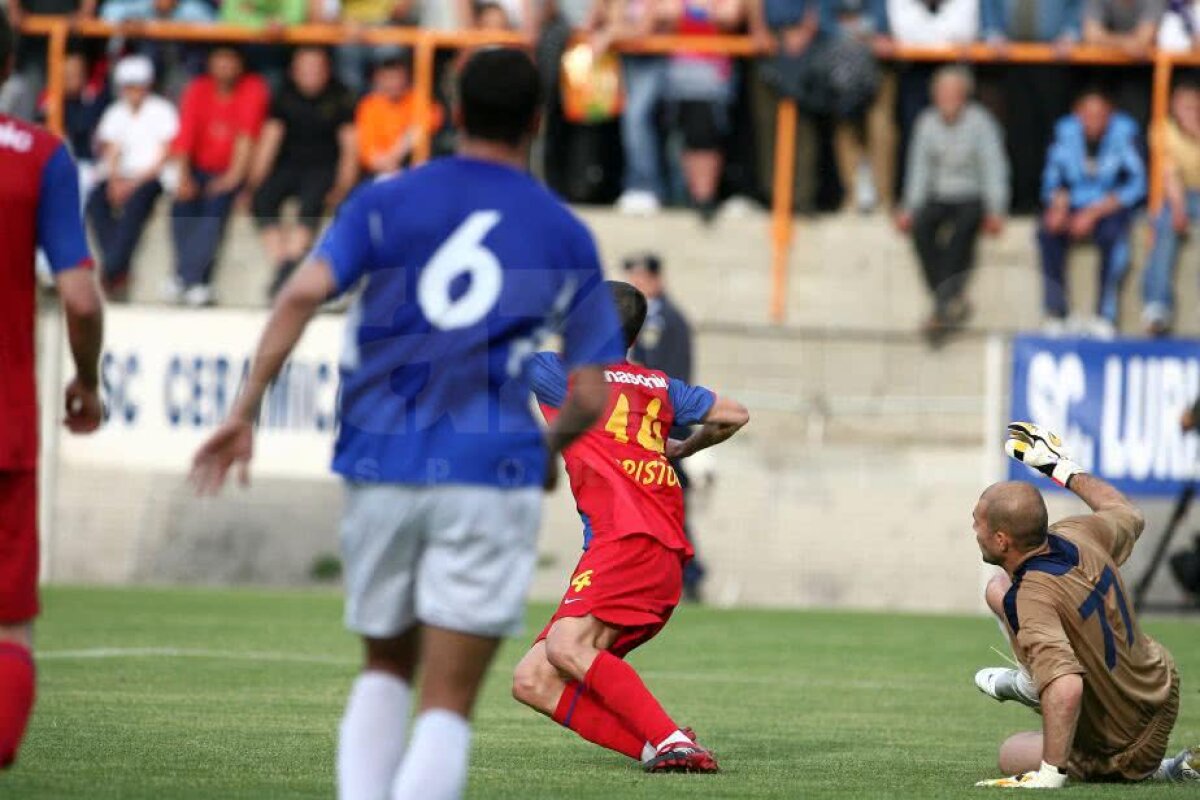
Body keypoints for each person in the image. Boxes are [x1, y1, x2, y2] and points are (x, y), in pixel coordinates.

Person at [190, 48, 625, 800]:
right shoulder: (561, 231)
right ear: (538, 122)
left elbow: (299, 296)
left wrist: (244, 412)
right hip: (490, 472)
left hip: (380, 460)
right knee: (448, 703)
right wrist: (547, 447)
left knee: (385, 667)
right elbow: (591, 393)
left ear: (453, 114)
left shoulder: (385, 197)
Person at [511, 280, 748, 773]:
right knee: (533, 679)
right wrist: (684, 447)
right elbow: (734, 414)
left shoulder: (564, 375)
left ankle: (672, 741)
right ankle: (659, 747)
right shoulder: (659, 385)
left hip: (626, 542)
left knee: (565, 645)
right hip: (656, 550)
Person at [969, 422, 1198, 787]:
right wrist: (1058, 467)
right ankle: (1034, 677)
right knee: (998, 588)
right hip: (1161, 686)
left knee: (1011, 752)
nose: (974, 531)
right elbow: (1127, 512)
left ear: (1001, 540)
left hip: (1125, 742)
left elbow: (1067, 687)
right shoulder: (1077, 533)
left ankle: (1158, 768)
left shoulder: (1033, 595)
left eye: (977, 524)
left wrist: (1050, 774)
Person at [0, 6, 105, 770]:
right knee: (8, 630)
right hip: (4, 429)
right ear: (12, 70)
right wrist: (87, 382)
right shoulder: (40, 155)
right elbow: (80, 298)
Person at [895, 66, 1008, 346]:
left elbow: (994, 167)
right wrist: (909, 208)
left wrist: (996, 208)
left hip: (971, 195)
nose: (947, 99)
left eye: (953, 93)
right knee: (921, 228)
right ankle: (949, 299)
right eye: (942, 93)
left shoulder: (981, 123)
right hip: (939, 195)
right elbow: (918, 171)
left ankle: (941, 303)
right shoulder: (926, 123)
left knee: (962, 231)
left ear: (964, 95)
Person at [622, 252, 708, 600]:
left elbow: (671, 377)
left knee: (666, 505)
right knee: (660, 505)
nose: (636, 284)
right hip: (649, 425)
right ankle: (682, 574)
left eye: (641, 278)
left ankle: (689, 574)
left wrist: (668, 423)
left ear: (657, 279)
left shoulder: (667, 320)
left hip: (662, 427)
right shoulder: (645, 319)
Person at [247, 47, 357, 299]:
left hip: (323, 167)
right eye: (304, 69)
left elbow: (350, 147)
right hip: (288, 166)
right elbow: (269, 141)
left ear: (327, 70)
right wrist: (253, 183)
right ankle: (284, 264)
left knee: (311, 202)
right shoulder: (284, 96)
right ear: (294, 72)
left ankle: (287, 269)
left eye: (316, 69)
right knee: (262, 200)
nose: (311, 75)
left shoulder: (340, 98)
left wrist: (343, 186)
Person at [1037, 87, 1145, 338]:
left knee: (1116, 237)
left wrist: (1094, 212)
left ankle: (1104, 314)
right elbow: (1053, 176)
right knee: (1047, 230)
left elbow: (1137, 184)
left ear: (1110, 114)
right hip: (1074, 202)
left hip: (1109, 205)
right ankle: (1056, 312)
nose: (1093, 121)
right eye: (1087, 114)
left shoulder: (1125, 133)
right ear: (1077, 114)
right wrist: (1058, 205)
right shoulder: (1064, 132)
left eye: (1100, 115)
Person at [169, 45, 269, 307]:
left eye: (230, 60)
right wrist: (183, 177)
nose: (224, 66)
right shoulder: (197, 89)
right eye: (219, 60)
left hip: (233, 170)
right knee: (181, 204)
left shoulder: (252, 88)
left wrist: (233, 178)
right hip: (199, 168)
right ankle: (189, 278)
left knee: (216, 206)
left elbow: (247, 137)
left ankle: (190, 277)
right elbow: (185, 137)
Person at [86, 54, 179, 300]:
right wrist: (116, 180)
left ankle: (112, 268)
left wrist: (133, 183)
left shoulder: (162, 110)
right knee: (95, 201)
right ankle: (115, 266)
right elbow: (111, 150)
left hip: (151, 177)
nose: (133, 91)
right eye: (129, 86)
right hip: (121, 176)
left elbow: (165, 153)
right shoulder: (116, 112)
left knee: (136, 206)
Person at [980, 0, 1082, 214]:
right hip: (1011, 58)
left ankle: (1050, 198)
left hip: (1054, 58)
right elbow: (988, 6)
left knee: (1052, 132)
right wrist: (992, 32)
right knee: (1019, 132)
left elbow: (1077, 6)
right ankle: (1021, 198)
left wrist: (1071, 33)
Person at [661, 0, 746, 223]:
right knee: (686, 138)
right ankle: (692, 195)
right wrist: (706, 12)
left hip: (712, 77)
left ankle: (705, 197)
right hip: (680, 76)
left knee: (707, 136)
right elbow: (662, 11)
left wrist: (688, 12)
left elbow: (731, 15)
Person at [1142, 81, 1200, 336]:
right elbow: (1169, 175)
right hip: (1178, 195)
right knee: (1164, 225)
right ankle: (1157, 305)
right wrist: (1178, 209)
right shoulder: (1162, 130)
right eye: (1185, 106)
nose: (1191, 111)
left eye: (1195, 106)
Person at [355, 52, 444, 178]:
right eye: (388, 78)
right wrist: (389, 162)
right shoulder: (369, 105)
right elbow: (369, 153)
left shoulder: (418, 99)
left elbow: (423, 126)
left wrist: (397, 153)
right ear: (378, 79)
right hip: (382, 171)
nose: (394, 83)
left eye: (397, 77)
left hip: (413, 168)